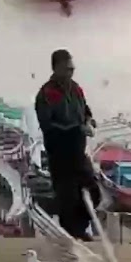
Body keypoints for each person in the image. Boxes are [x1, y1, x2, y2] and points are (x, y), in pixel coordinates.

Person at [35, 49, 102, 240]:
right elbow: (47, 126)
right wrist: (76, 129)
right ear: (56, 68)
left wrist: (89, 121)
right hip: (59, 154)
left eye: (72, 69)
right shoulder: (46, 94)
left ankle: (81, 228)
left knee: (93, 191)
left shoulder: (76, 89)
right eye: (67, 69)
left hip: (78, 152)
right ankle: (72, 235)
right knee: (67, 198)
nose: (71, 73)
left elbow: (85, 110)